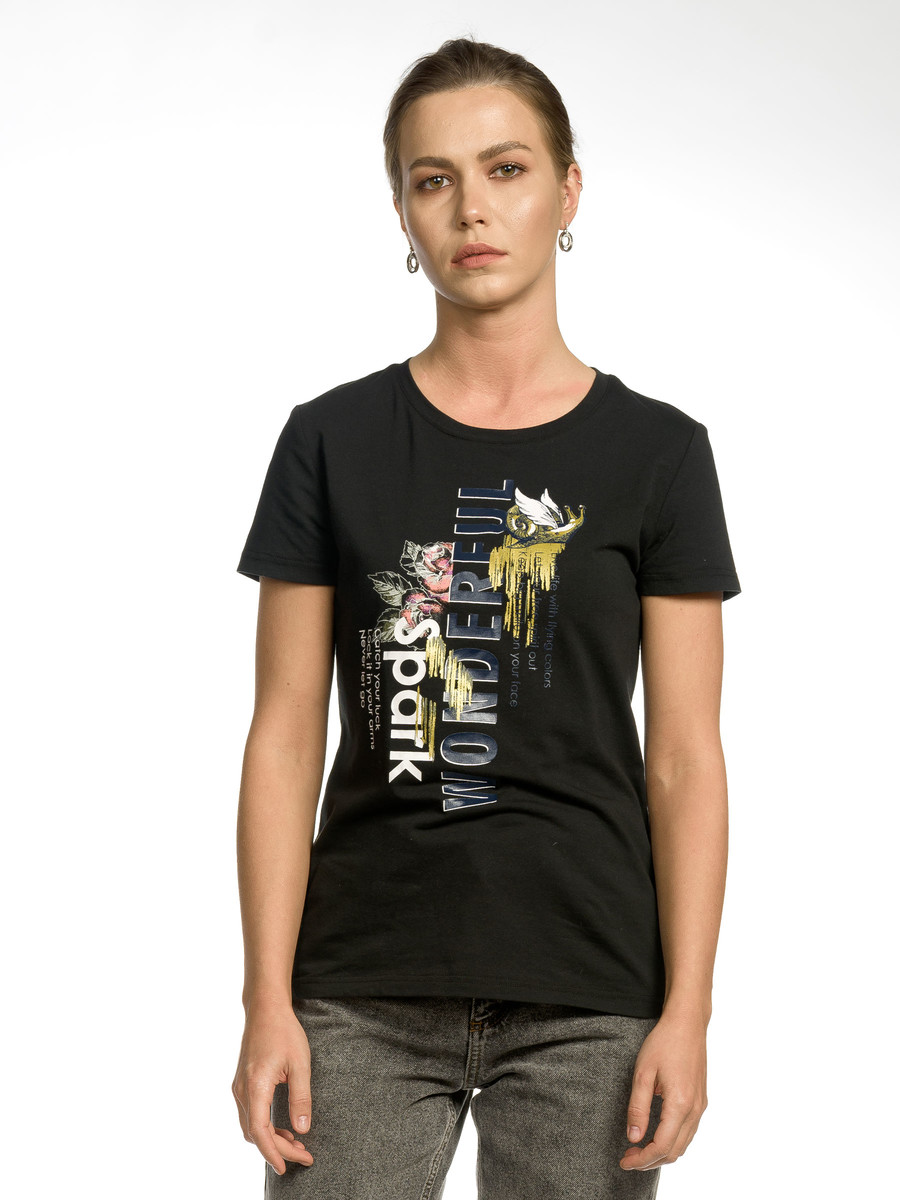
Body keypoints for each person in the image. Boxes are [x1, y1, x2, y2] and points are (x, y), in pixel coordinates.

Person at [231, 35, 741, 1200]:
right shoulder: (330, 441)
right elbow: (284, 736)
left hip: (591, 991)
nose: (472, 208)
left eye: (506, 169)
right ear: (402, 214)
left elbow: (685, 760)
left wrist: (690, 1012)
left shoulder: (659, 455)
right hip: (359, 986)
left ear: (568, 190)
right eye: (434, 178)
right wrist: (266, 1000)